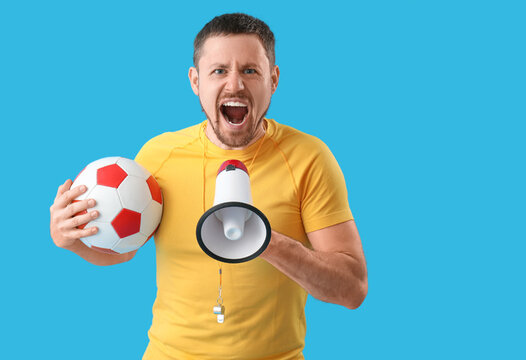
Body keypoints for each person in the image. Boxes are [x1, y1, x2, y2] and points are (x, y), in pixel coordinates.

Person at [49, 13, 367, 360]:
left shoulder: (309, 158)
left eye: (250, 70)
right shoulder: (157, 156)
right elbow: (124, 250)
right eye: (219, 71)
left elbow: (352, 289)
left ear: (273, 80)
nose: (234, 85)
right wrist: (72, 241)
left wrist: (266, 242)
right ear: (195, 81)